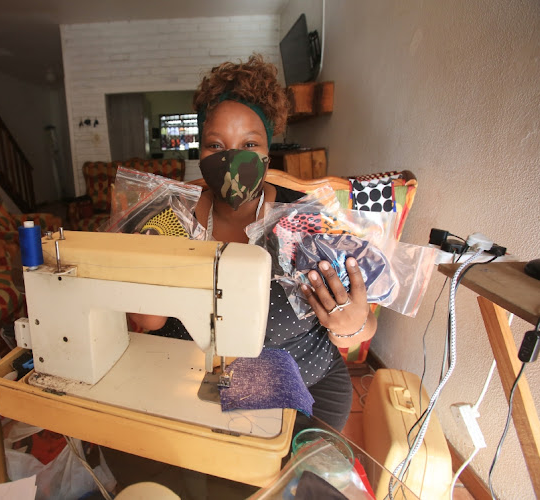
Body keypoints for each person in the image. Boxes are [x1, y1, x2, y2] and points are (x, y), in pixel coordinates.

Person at [129, 54, 376, 432]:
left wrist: (352, 326)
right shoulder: (170, 219)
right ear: (200, 151)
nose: (232, 159)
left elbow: (362, 325)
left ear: (267, 150)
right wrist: (143, 296)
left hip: (304, 391)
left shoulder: (305, 220)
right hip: (193, 393)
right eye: (215, 144)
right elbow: (146, 321)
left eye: (249, 142)